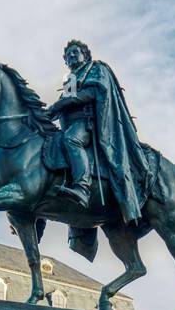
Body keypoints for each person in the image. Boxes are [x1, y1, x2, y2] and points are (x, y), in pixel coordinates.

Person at [46, 39, 152, 223]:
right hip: (70, 123)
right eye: (68, 55)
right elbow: (67, 101)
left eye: (75, 52)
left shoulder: (96, 68)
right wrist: (46, 113)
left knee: (72, 140)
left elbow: (92, 93)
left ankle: (82, 187)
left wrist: (61, 103)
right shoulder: (70, 78)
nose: (71, 56)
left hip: (89, 124)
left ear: (85, 55)